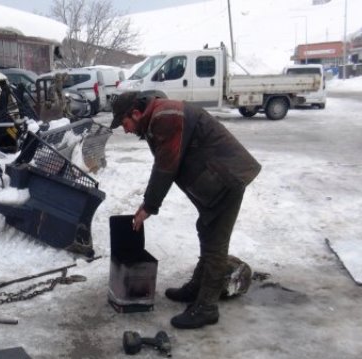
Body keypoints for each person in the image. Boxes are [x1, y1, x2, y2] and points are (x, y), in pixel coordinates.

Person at [110, 91, 261, 329]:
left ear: (136, 113)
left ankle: (207, 307)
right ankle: (198, 287)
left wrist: (149, 206)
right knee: (205, 228)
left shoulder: (164, 117)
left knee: (215, 243)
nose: (126, 130)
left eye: (124, 123)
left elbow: (165, 166)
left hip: (227, 178)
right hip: (215, 179)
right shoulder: (157, 116)